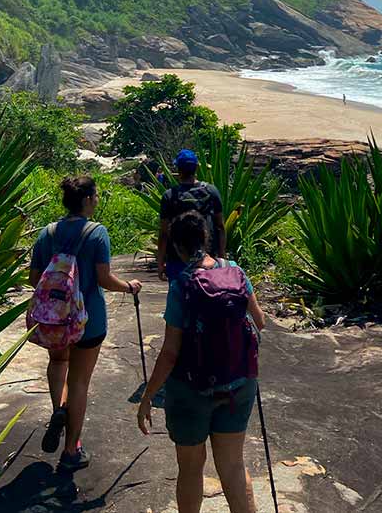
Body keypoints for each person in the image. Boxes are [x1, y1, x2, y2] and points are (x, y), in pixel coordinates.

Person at [138, 211, 265, 513]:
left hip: (191, 390)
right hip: (238, 382)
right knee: (233, 465)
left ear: (177, 247)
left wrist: (148, 395)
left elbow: (170, 352)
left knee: (192, 468)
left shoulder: (181, 285)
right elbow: (259, 321)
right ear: (207, 239)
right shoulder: (235, 271)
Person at [29, 175, 142, 471]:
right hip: (87, 320)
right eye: (96, 195)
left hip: (53, 320)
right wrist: (128, 286)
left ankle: (58, 410)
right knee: (79, 381)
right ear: (88, 199)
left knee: (57, 364)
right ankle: (71, 451)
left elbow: (33, 279)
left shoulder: (47, 233)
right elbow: (104, 279)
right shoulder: (97, 233)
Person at [157, 148, 226, 283]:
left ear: (178, 170)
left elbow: (164, 233)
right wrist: (222, 256)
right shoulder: (211, 191)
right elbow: (220, 227)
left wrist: (160, 262)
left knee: (180, 298)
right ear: (196, 168)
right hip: (207, 258)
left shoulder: (169, 196)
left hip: (177, 259)